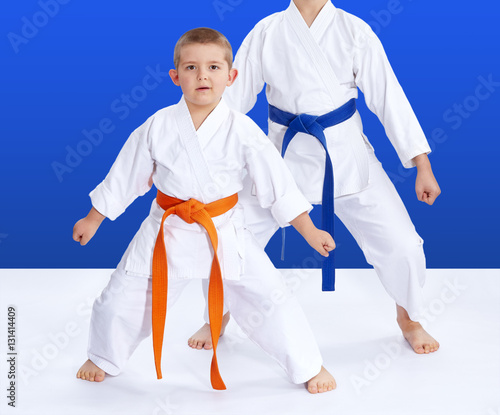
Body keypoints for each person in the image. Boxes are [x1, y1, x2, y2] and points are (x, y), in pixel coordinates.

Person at [73, 27, 337, 394]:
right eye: (192, 67)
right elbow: (126, 175)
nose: (202, 76)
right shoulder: (158, 125)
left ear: (231, 77)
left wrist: (309, 230)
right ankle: (101, 356)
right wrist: (94, 217)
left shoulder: (242, 130)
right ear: (175, 76)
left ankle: (308, 365)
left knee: (272, 298)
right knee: (119, 298)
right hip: (166, 230)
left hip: (225, 230)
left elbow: (279, 186)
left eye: (214, 67)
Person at [189, 0, 441, 355]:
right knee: (226, 238)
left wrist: (422, 165)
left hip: (346, 158)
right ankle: (218, 313)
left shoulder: (355, 31)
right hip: (279, 161)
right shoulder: (267, 31)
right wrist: (201, 154)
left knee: (404, 246)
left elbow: (389, 99)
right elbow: (231, 100)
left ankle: (409, 317)